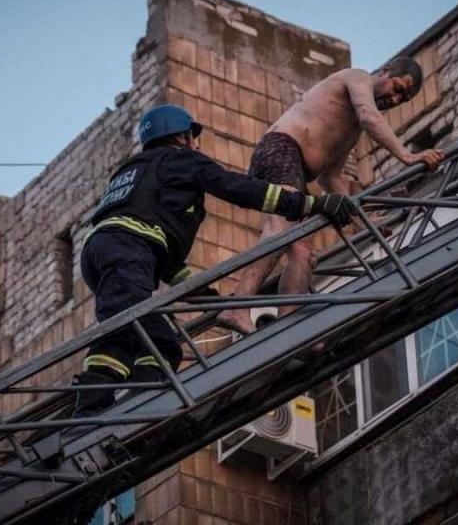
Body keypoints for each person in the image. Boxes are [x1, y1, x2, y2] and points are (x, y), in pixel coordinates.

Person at [73, 104, 355, 416]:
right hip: (127, 250)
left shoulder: (136, 172)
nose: (197, 145)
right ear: (181, 136)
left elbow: (161, 253)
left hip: (103, 253)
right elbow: (239, 189)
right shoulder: (182, 160)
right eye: (193, 138)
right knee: (144, 338)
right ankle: (111, 412)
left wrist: (199, 292)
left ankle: (125, 406)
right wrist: (309, 203)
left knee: (141, 334)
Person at [217, 57, 446, 334]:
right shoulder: (357, 78)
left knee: (304, 253)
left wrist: (365, 222)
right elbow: (368, 114)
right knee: (280, 230)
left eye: (403, 98)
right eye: (396, 88)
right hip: (282, 150)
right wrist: (407, 156)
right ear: (384, 71)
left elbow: (330, 177)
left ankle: (288, 328)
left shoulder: (351, 131)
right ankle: (236, 308)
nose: (395, 99)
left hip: (297, 170)